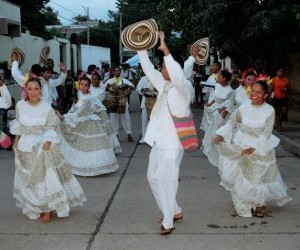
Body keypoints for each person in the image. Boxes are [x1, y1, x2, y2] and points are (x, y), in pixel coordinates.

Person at [137, 31, 195, 235]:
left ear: (173, 68)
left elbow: (178, 74)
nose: (161, 70)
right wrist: (141, 47)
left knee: (166, 180)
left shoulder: (183, 87)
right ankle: (175, 210)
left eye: (164, 66)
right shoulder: (165, 85)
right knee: (152, 176)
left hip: (173, 142)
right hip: (158, 140)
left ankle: (168, 220)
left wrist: (166, 51)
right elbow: (148, 70)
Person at [10, 77, 86, 223]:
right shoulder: (20, 105)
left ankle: (48, 209)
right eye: (30, 89)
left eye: (36, 89)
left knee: (45, 178)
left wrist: (47, 142)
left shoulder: (46, 108)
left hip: (42, 145)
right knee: (28, 178)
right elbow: (18, 124)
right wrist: (16, 141)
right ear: (26, 90)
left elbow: (52, 126)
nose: (33, 92)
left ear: (41, 91)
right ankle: (35, 205)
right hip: (25, 145)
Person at [214, 81, 292, 218]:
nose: (254, 95)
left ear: (265, 95)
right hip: (242, 142)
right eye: (253, 91)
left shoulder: (269, 110)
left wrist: (254, 148)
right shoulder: (243, 107)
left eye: (259, 92)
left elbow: (266, 132)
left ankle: (261, 204)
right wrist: (221, 134)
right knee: (242, 173)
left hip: (261, 146)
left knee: (258, 176)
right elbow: (232, 121)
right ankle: (245, 199)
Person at [60, 76, 119, 176]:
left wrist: (63, 117)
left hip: (90, 124)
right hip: (84, 122)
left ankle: (96, 168)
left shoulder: (88, 98)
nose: (83, 87)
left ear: (89, 87)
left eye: (85, 85)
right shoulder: (81, 94)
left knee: (91, 145)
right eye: (81, 84)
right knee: (84, 145)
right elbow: (77, 109)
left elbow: (79, 113)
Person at [201, 70, 235, 167]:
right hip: (215, 109)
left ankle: (221, 150)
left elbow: (229, 106)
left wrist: (221, 118)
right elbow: (215, 98)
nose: (218, 78)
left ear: (224, 79)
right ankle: (209, 146)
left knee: (219, 130)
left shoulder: (231, 91)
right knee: (210, 129)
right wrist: (210, 104)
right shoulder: (217, 86)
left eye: (219, 76)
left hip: (223, 113)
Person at [91, 72, 122, 154]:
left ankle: (106, 148)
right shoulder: (89, 88)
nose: (93, 80)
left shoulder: (101, 90)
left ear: (99, 80)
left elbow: (98, 101)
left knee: (103, 131)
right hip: (90, 113)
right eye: (92, 79)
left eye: (95, 79)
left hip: (99, 113)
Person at [105, 67, 135, 142]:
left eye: (118, 70)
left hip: (123, 102)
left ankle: (129, 135)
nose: (117, 72)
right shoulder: (110, 80)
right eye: (116, 70)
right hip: (113, 102)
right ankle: (116, 135)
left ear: (120, 72)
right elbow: (104, 88)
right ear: (113, 72)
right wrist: (109, 86)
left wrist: (127, 86)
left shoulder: (124, 80)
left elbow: (133, 87)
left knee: (126, 118)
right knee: (113, 119)